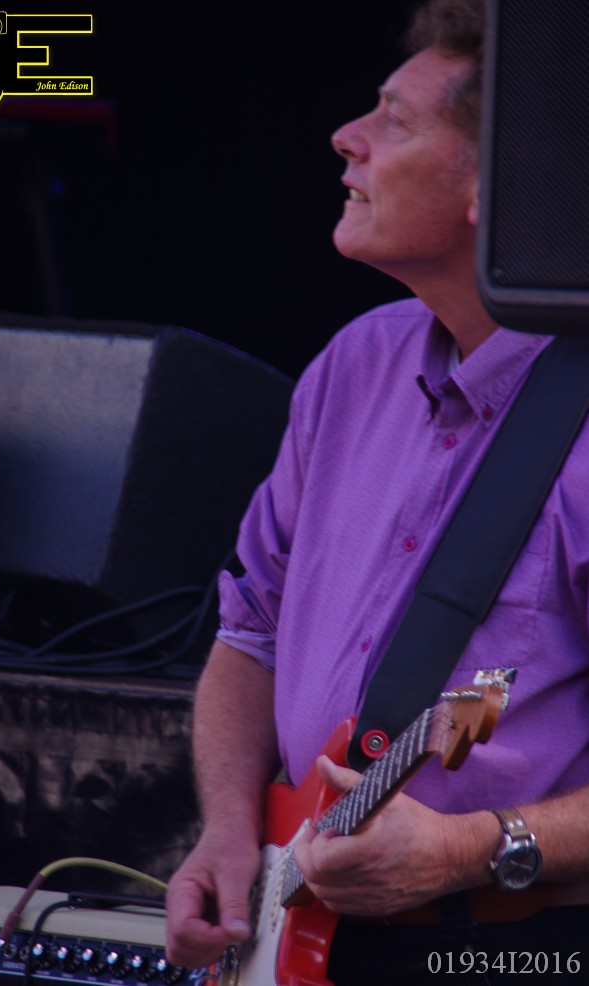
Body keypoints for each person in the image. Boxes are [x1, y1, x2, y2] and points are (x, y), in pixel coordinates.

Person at [165, 1, 589, 982]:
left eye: (393, 120)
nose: (344, 137)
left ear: (499, 186)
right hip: (314, 923)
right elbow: (250, 632)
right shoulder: (352, 366)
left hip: (517, 947)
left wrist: (472, 846)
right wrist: (227, 831)